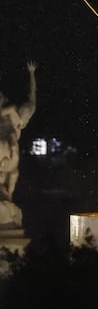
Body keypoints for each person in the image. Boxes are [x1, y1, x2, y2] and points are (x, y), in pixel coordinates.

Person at [0, 61, 37, 204]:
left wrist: (32, 74)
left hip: (8, 139)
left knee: (14, 165)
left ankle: (8, 195)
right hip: (6, 136)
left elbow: (32, 96)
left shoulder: (15, 115)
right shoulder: (11, 110)